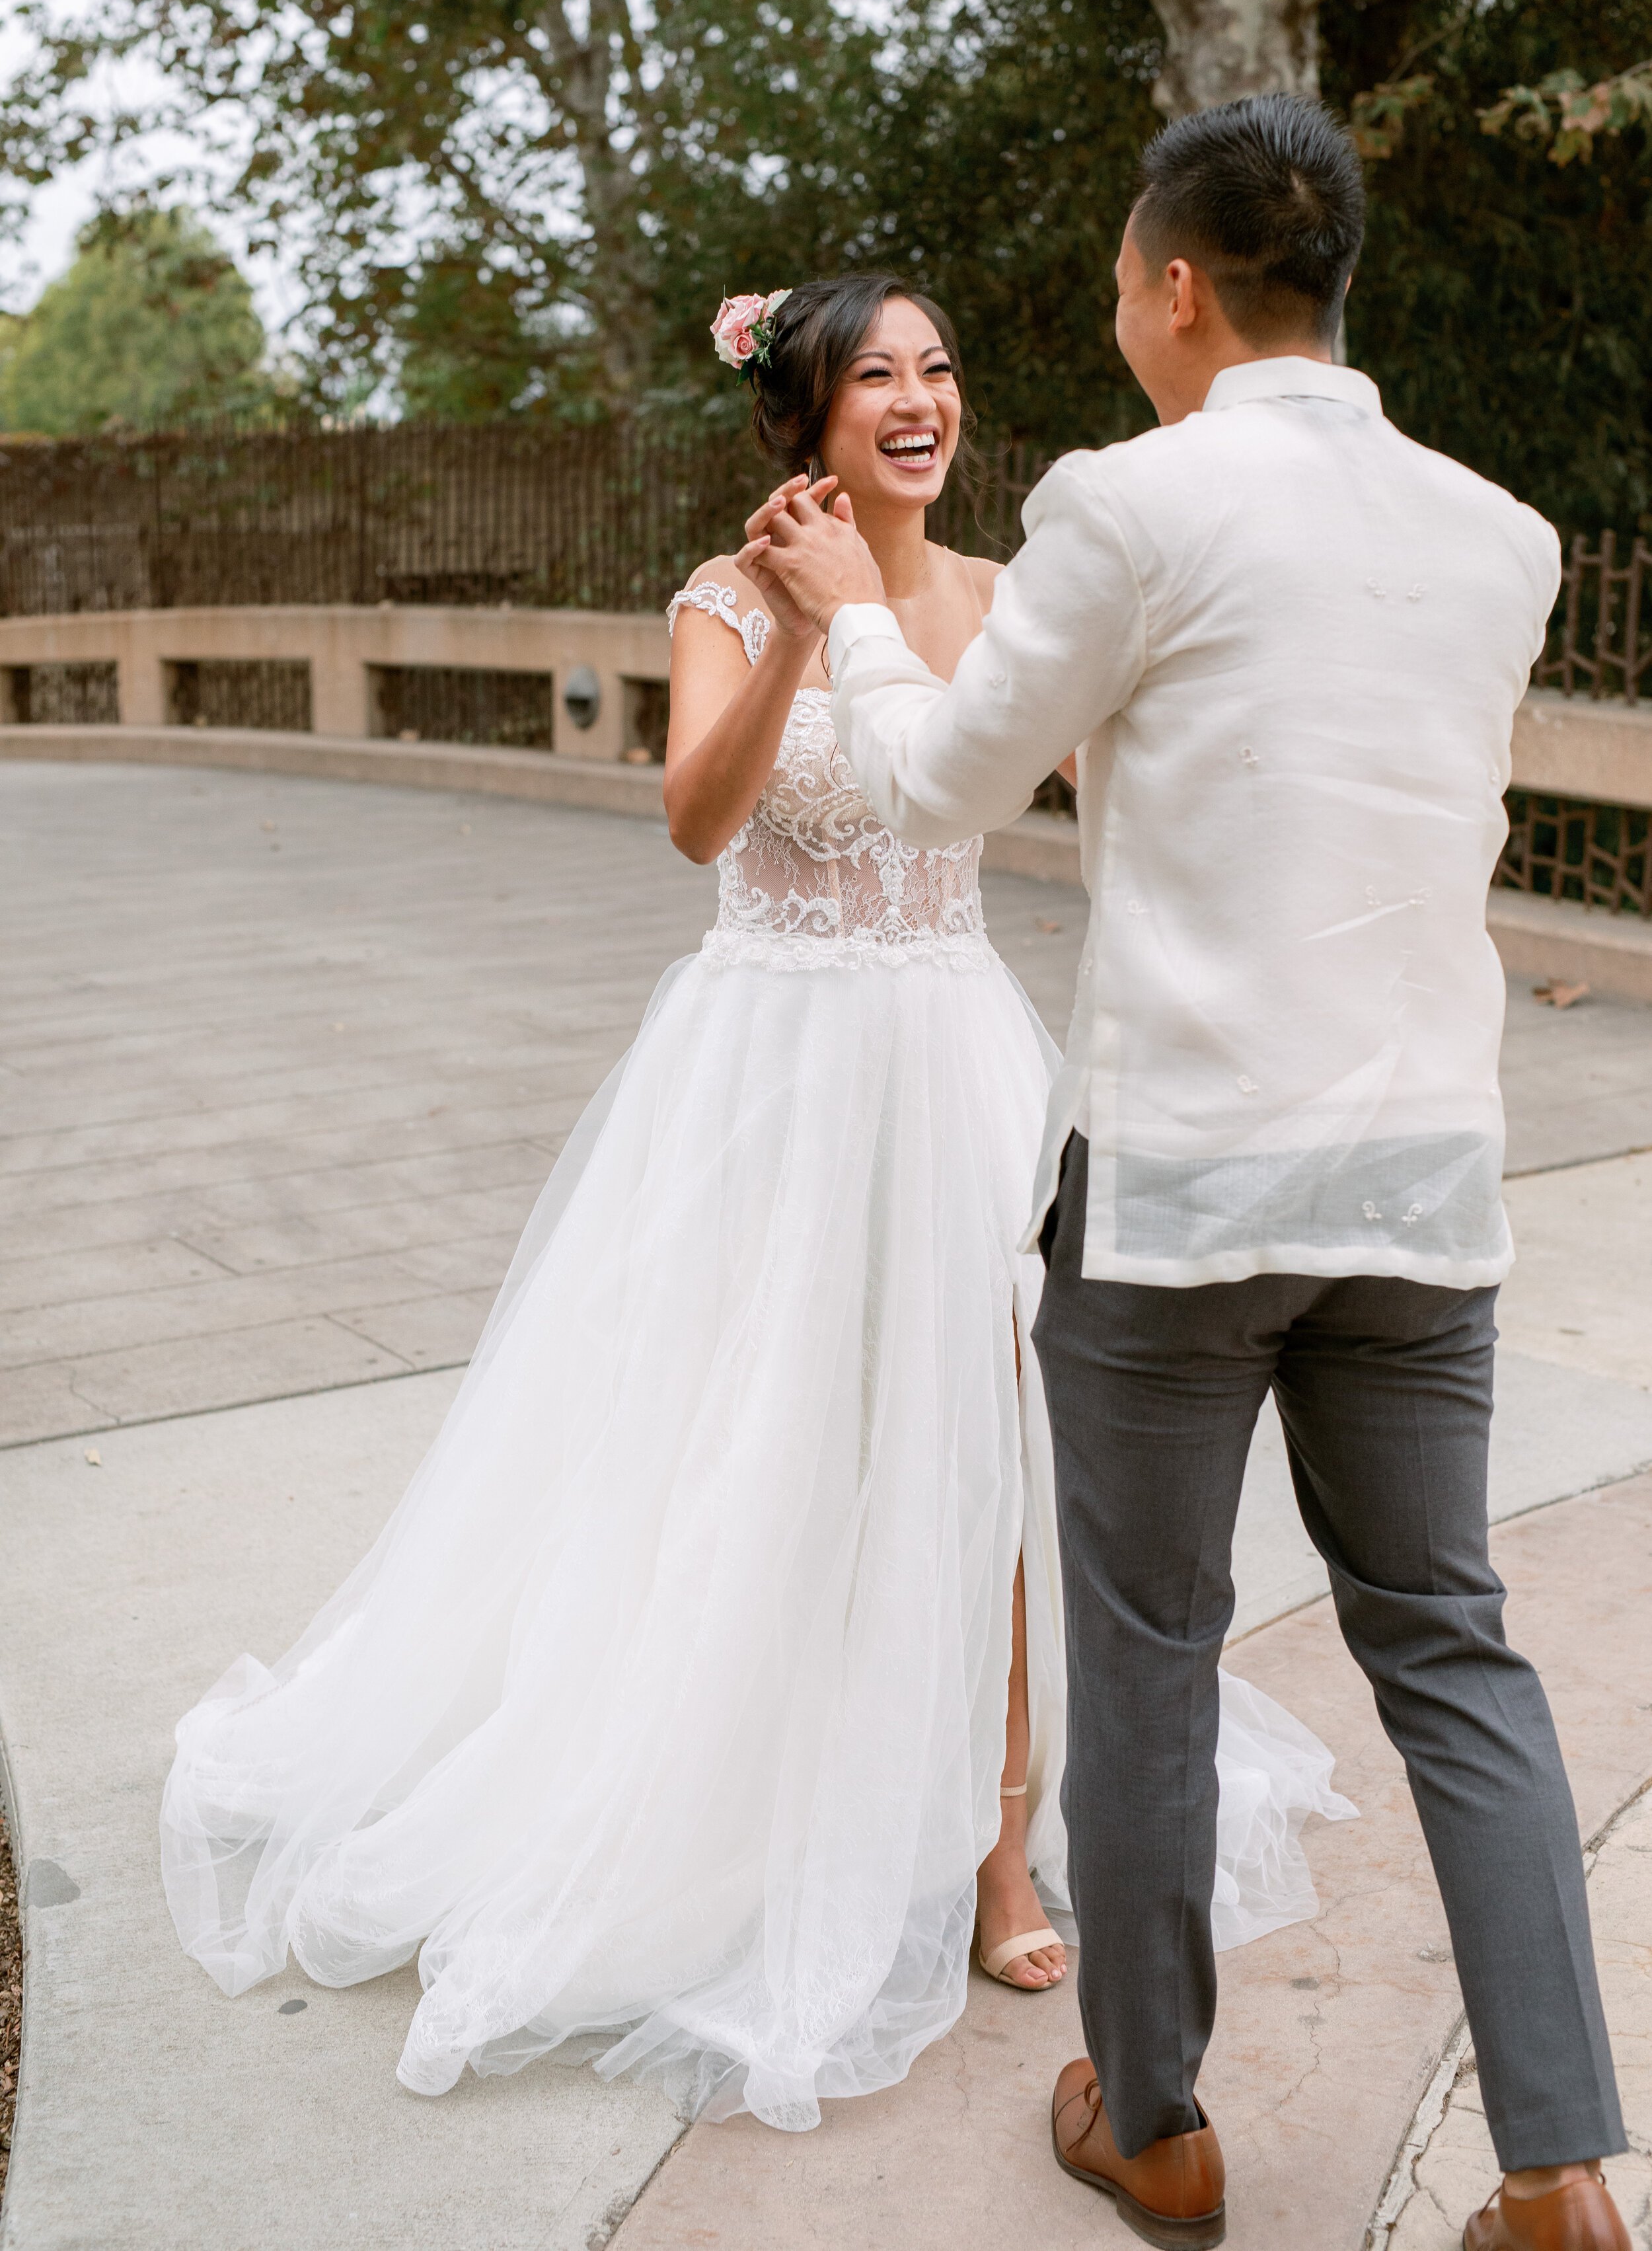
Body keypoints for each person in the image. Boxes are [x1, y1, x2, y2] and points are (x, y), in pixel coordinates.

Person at [161, 268, 1352, 2137]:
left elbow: (1136, 763)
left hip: (955, 1050)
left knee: (1002, 1446)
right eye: (875, 373)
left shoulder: (1004, 597)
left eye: (940, 367)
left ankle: (993, 1856)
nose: (919, 397)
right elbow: (697, 822)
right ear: (801, 419)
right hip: (766, 1066)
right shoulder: (717, 600)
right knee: (748, 1432)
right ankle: (754, 1785)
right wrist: (803, 624)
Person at [743, 100, 1631, 2250]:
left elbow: (948, 771)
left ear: (1171, 287)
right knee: (1452, 1646)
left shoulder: (1125, 503)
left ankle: (1152, 2125)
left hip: (1180, 1192)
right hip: (1422, 1183)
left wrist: (861, 611)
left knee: (1143, 1642)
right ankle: (1562, 2175)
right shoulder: (1498, 533)